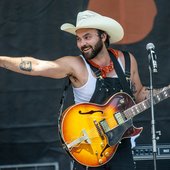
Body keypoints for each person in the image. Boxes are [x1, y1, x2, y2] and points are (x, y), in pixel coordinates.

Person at [0, 10, 163, 170]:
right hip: (89, 146)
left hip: (121, 145)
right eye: (78, 39)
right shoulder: (75, 65)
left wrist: (165, 91)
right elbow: (37, 66)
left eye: (87, 37)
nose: (81, 44)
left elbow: (139, 94)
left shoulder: (127, 60)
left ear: (103, 36)